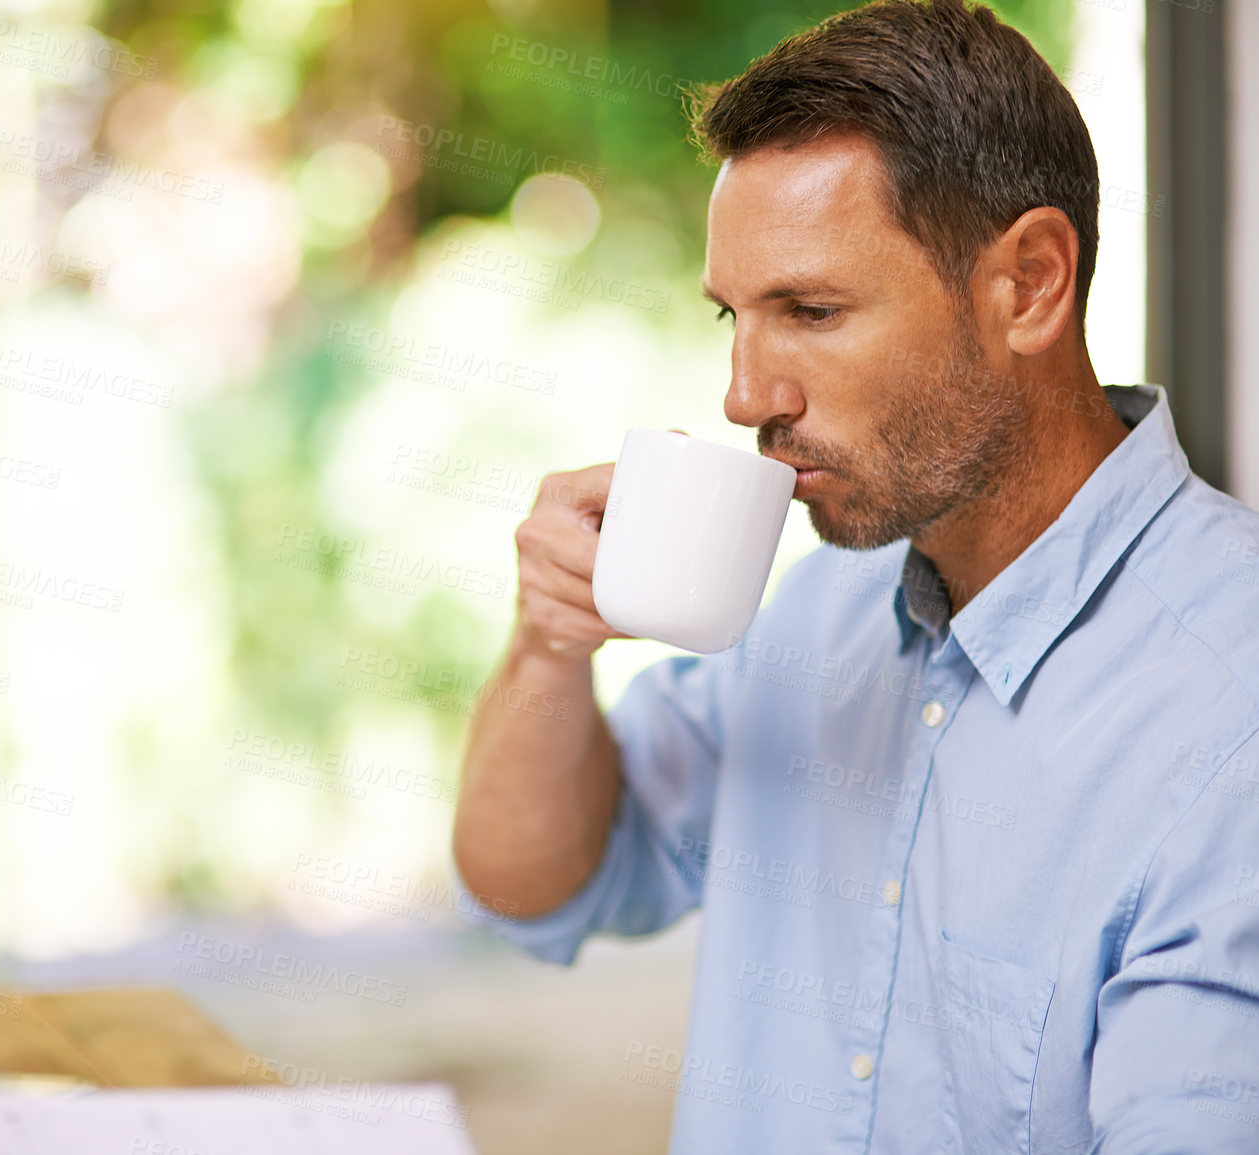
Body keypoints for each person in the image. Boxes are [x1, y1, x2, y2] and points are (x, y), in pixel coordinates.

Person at [449, 0, 1259, 1150]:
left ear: (1029, 284)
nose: (745, 396)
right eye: (734, 315)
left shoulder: (1232, 720)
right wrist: (550, 642)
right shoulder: (819, 607)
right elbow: (536, 888)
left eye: (810, 311)